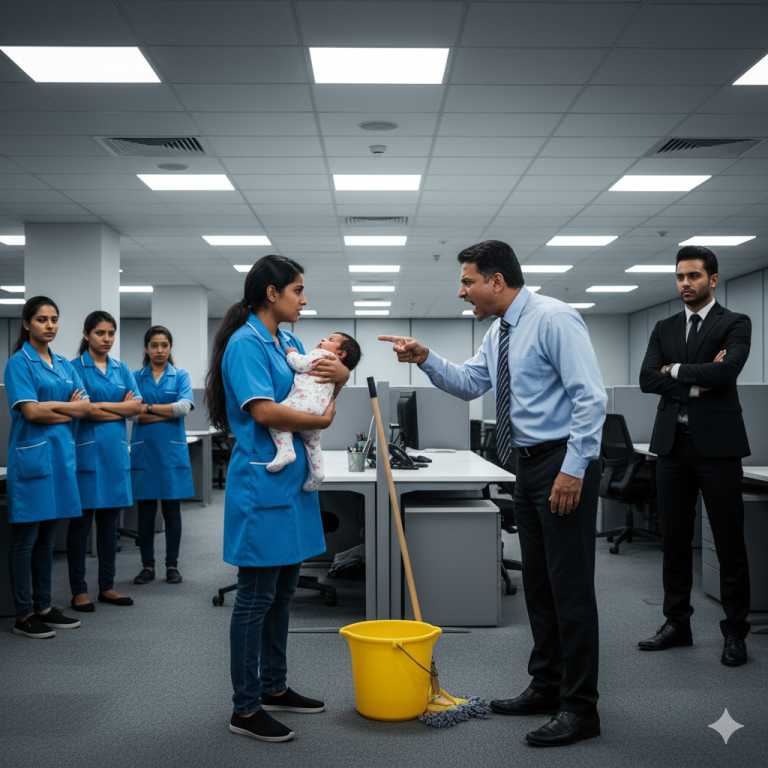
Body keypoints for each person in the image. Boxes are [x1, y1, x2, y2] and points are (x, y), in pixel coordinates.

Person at [379, 240, 607, 747]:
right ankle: (547, 685)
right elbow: (470, 383)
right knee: (540, 587)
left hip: (560, 463)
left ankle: (580, 708)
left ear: (496, 281)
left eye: (467, 281)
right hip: (525, 466)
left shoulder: (554, 319)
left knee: (569, 588)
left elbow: (591, 398)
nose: (462, 292)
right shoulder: (500, 331)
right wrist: (426, 359)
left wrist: (573, 468)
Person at [205, 254, 350, 743]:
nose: (304, 300)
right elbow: (266, 413)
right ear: (272, 293)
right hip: (262, 484)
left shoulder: (285, 340)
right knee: (255, 598)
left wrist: (342, 381)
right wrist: (327, 421)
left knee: (284, 593)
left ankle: (274, 686)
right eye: (298, 291)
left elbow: (317, 388)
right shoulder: (246, 344)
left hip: (291, 485)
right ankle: (244, 709)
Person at [638, 245, 752, 666]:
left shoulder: (735, 323)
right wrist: (693, 381)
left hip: (719, 448)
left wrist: (675, 370)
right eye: (680, 277)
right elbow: (647, 378)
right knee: (674, 542)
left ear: (713, 280)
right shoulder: (664, 327)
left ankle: (735, 632)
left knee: (728, 542)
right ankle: (676, 624)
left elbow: (727, 372)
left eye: (694, 276)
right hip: (672, 447)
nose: (686, 283)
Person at [4, 296, 91, 638]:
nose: (50, 325)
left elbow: (85, 408)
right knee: (25, 538)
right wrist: (64, 407)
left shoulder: (64, 364)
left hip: (60, 458)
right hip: (32, 459)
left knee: (47, 538)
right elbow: (31, 412)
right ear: (27, 324)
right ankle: (23, 614)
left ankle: (43, 606)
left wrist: (54, 407)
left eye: (54, 319)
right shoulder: (18, 363)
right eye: (42, 319)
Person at [67, 311, 143, 612]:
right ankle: (79, 591)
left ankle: (107, 587)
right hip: (86, 454)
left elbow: (137, 406)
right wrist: (118, 407)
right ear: (87, 334)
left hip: (114, 456)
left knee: (110, 526)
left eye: (111, 333)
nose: (106, 339)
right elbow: (82, 411)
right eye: (100, 333)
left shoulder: (122, 368)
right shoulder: (73, 368)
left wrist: (100, 406)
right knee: (81, 526)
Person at [130, 326, 195, 587]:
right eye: (154, 345)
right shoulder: (135, 377)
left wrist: (147, 407)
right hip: (145, 451)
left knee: (172, 513)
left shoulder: (180, 376)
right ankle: (147, 566)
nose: (160, 350)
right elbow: (130, 413)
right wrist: (161, 410)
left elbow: (183, 408)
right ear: (146, 348)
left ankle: (172, 565)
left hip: (170, 452)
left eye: (164, 345)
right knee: (145, 514)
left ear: (170, 347)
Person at [267, 332, 361, 490]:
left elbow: (299, 364)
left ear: (340, 354)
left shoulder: (322, 355)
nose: (323, 339)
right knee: (312, 445)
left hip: (303, 403)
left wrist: (292, 353)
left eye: (330, 339)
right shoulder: (336, 368)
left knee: (276, 420)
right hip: (321, 409)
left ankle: (286, 451)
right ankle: (318, 473)